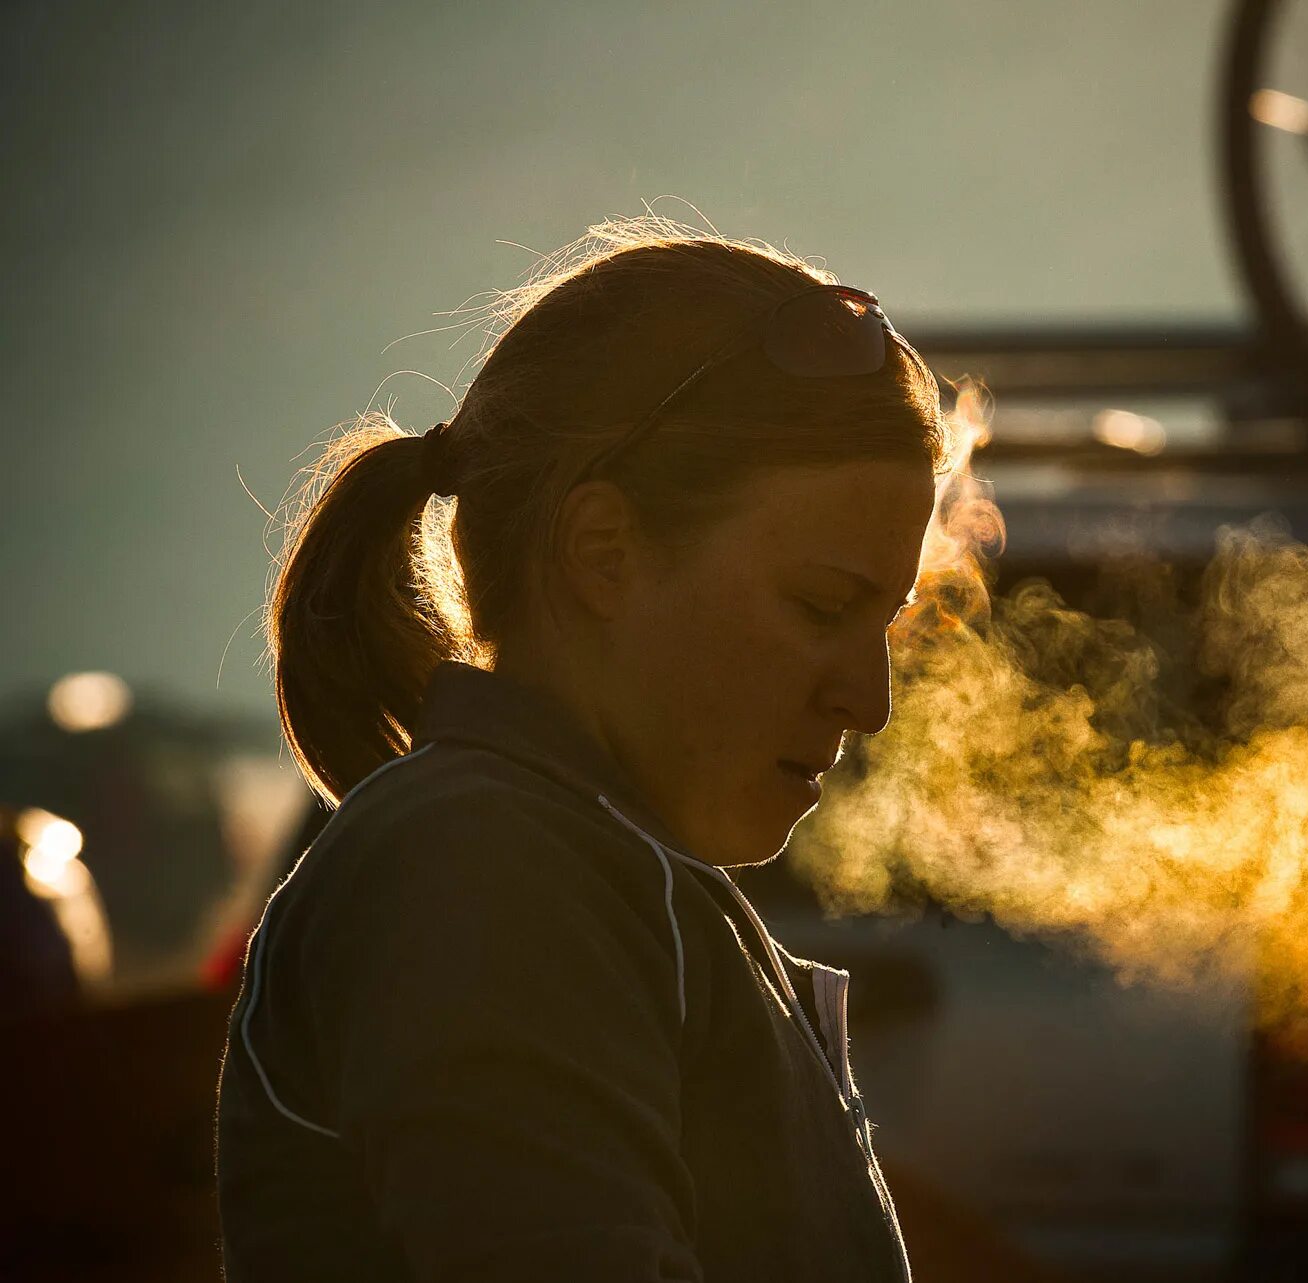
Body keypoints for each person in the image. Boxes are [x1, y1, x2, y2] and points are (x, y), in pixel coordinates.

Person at [215, 220, 947, 1282]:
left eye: (883, 620)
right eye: (822, 603)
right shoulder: (480, 862)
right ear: (604, 551)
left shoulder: (580, 862)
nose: (868, 698)